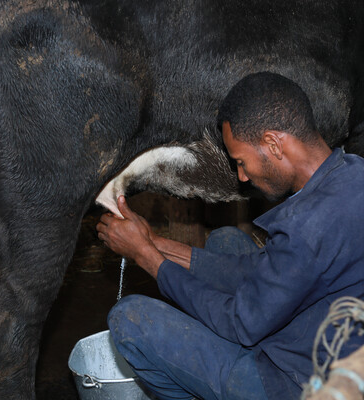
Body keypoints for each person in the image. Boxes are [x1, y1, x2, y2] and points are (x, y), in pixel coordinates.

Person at [96, 72, 364, 400]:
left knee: (129, 318)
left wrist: (146, 258)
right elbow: (266, 269)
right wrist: (154, 242)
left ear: (273, 144)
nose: (242, 176)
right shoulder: (352, 174)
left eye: (240, 161)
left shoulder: (307, 229)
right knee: (226, 240)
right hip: (338, 347)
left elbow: (240, 323)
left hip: (297, 385)